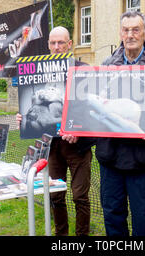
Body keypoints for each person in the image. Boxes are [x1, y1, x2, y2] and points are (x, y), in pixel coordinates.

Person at [65, 11, 145, 236]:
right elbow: (97, 111)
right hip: (111, 160)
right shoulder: (107, 65)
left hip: (144, 160)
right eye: (126, 30)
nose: (130, 35)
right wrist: (77, 129)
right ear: (120, 33)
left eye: (136, 29)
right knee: (113, 218)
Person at [17, 26, 92, 236]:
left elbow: (92, 111)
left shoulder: (82, 70)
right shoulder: (40, 71)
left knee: (80, 196)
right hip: (51, 146)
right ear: (48, 45)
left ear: (70, 44)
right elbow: (33, 110)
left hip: (78, 146)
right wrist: (24, 117)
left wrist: (80, 130)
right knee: (55, 195)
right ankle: (61, 236)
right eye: (53, 43)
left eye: (61, 43)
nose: (56, 47)